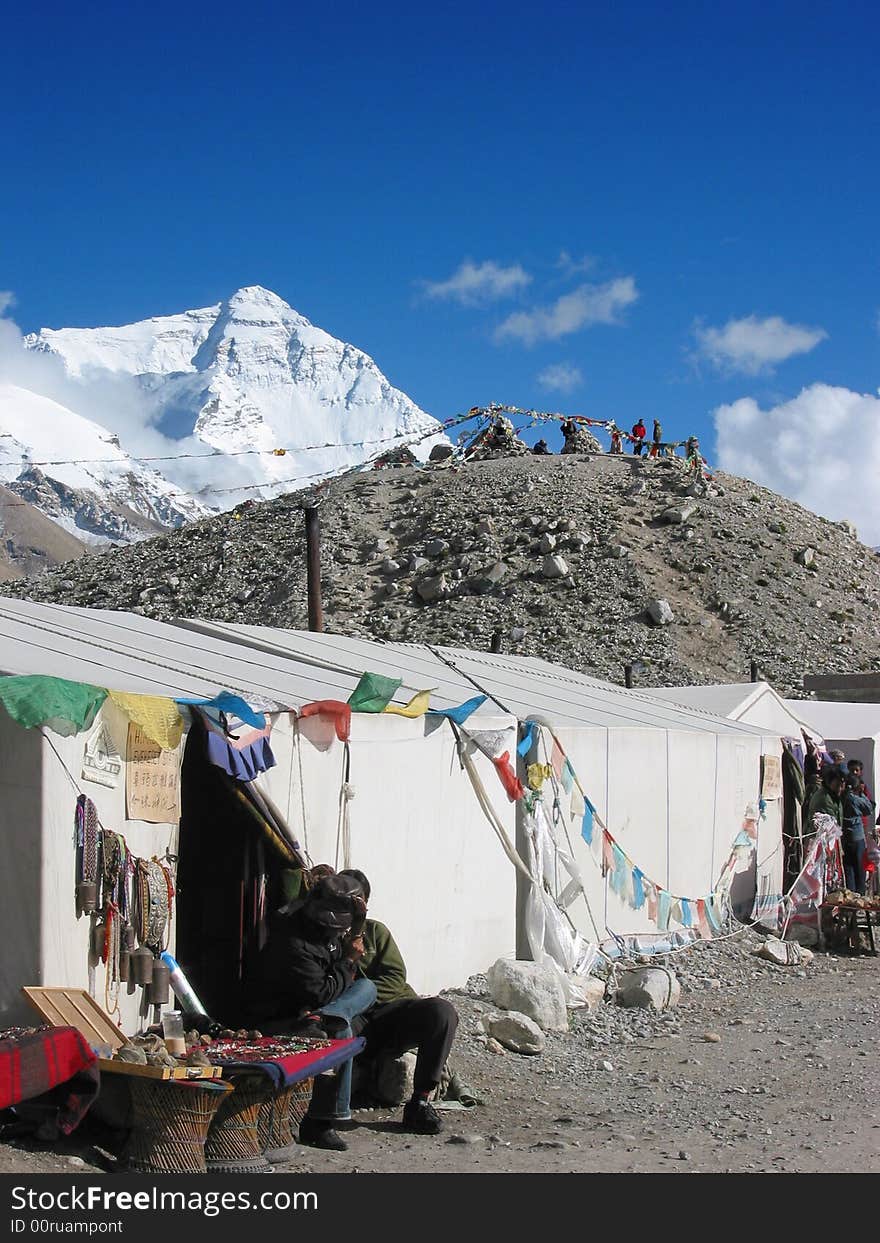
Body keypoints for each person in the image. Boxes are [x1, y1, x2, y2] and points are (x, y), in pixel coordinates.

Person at [240, 874, 377, 1151]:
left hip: (317, 1009)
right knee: (340, 1030)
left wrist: (357, 929)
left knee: (367, 987)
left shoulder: (330, 936)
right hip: (279, 1017)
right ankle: (323, 1121)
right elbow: (320, 992)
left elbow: (335, 984)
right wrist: (349, 960)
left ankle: (332, 1015)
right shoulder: (293, 942)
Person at [338, 869, 459, 1136]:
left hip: (388, 1011)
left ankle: (420, 1101)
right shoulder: (327, 935)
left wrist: (365, 994)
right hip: (352, 1018)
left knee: (441, 1012)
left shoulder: (375, 932)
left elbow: (395, 978)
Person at [842, 774, 874, 895]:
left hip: (844, 837)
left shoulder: (841, 797)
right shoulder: (854, 799)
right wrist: (862, 794)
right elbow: (869, 808)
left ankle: (851, 895)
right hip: (857, 837)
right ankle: (860, 894)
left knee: (848, 869)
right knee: (859, 868)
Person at [803, 764, 846, 850]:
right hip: (820, 844)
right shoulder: (824, 799)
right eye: (838, 785)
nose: (840, 789)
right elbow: (830, 829)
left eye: (842, 785)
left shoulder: (833, 796)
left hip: (828, 842)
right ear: (829, 781)